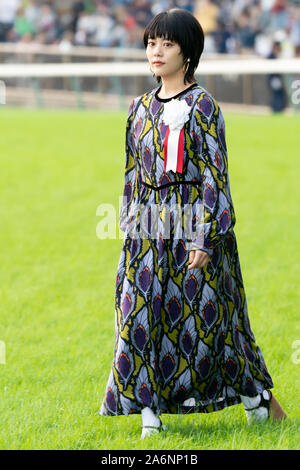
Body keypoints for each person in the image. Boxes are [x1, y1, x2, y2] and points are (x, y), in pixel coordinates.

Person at [99, 8, 287, 440]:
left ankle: (255, 397)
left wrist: (206, 235)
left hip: (194, 228)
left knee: (210, 323)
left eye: (167, 43)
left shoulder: (203, 105)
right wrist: (129, 232)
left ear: (188, 52)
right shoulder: (138, 107)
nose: (157, 51)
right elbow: (131, 175)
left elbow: (214, 175)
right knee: (137, 317)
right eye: (151, 43)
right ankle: (150, 415)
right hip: (147, 232)